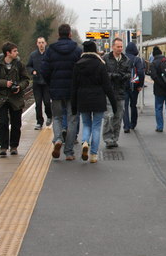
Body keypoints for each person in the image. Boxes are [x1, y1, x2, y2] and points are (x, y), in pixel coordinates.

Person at [71, 41, 117, 163]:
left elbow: (74, 87)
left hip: (83, 99)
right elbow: (107, 86)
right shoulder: (100, 65)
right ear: (95, 50)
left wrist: (73, 106)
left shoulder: (77, 65)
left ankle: (85, 141)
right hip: (98, 100)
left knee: (86, 124)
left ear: (83, 51)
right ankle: (93, 155)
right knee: (96, 127)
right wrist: (114, 104)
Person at [41, 23, 82, 160]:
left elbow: (44, 70)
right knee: (72, 119)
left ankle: (58, 139)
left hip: (56, 90)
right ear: (70, 34)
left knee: (57, 118)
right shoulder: (77, 50)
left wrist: (51, 83)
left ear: (58, 35)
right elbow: (81, 70)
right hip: (72, 91)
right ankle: (69, 152)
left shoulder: (50, 50)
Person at [0, 42, 30, 156]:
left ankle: (14, 146)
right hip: (1, 98)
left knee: (16, 123)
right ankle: (3, 147)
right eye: (15, 51)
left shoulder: (19, 65)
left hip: (16, 99)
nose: (17, 53)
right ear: (8, 53)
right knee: (3, 123)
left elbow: (26, 79)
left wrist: (19, 87)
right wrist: (4, 83)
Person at [103, 37, 130, 148]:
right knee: (109, 116)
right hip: (109, 92)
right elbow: (103, 74)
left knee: (118, 117)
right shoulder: (105, 58)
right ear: (113, 47)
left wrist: (126, 77)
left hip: (120, 92)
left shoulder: (126, 60)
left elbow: (129, 73)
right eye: (118, 46)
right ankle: (108, 139)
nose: (120, 49)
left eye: (121, 47)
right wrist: (113, 76)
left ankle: (115, 138)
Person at [26, 37, 52, 130]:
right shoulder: (33, 55)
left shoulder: (49, 54)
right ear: (37, 44)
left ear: (45, 43)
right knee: (38, 103)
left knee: (47, 102)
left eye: (42, 42)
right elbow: (28, 66)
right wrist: (32, 71)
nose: (41, 44)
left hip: (46, 83)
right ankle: (39, 122)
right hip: (37, 82)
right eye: (39, 42)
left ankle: (49, 116)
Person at [149, 46, 166, 133]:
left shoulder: (153, 63)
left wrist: (161, 84)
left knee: (158, 108)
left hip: (159, 90)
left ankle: (160, 127)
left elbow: (154, 77)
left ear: (154, 55)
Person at [123, 42, 146, 133]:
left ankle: (126, 126)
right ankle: (133, 123)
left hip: (124, 85)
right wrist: (140, 85)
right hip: (134, 85)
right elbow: (141, 72)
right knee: (133, 105)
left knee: (125, 106)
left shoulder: (123, 58)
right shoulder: (137, 60)